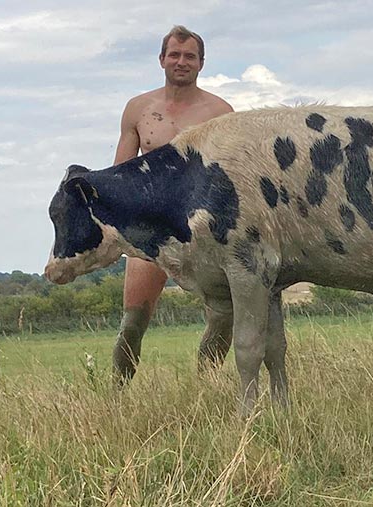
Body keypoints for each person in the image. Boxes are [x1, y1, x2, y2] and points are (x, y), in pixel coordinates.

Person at [112, 25, 233, 382]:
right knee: (133, 320)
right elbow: (121, 173)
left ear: (201, 63)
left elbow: (231, 177)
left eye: (190, 56)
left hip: (201, 229)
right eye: (175, 55)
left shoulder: (220, 112)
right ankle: (116, 392)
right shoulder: (138, 109)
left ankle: (205, 384)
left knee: (224, 314)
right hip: (151, 229)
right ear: (162, 59)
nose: (182, 62)